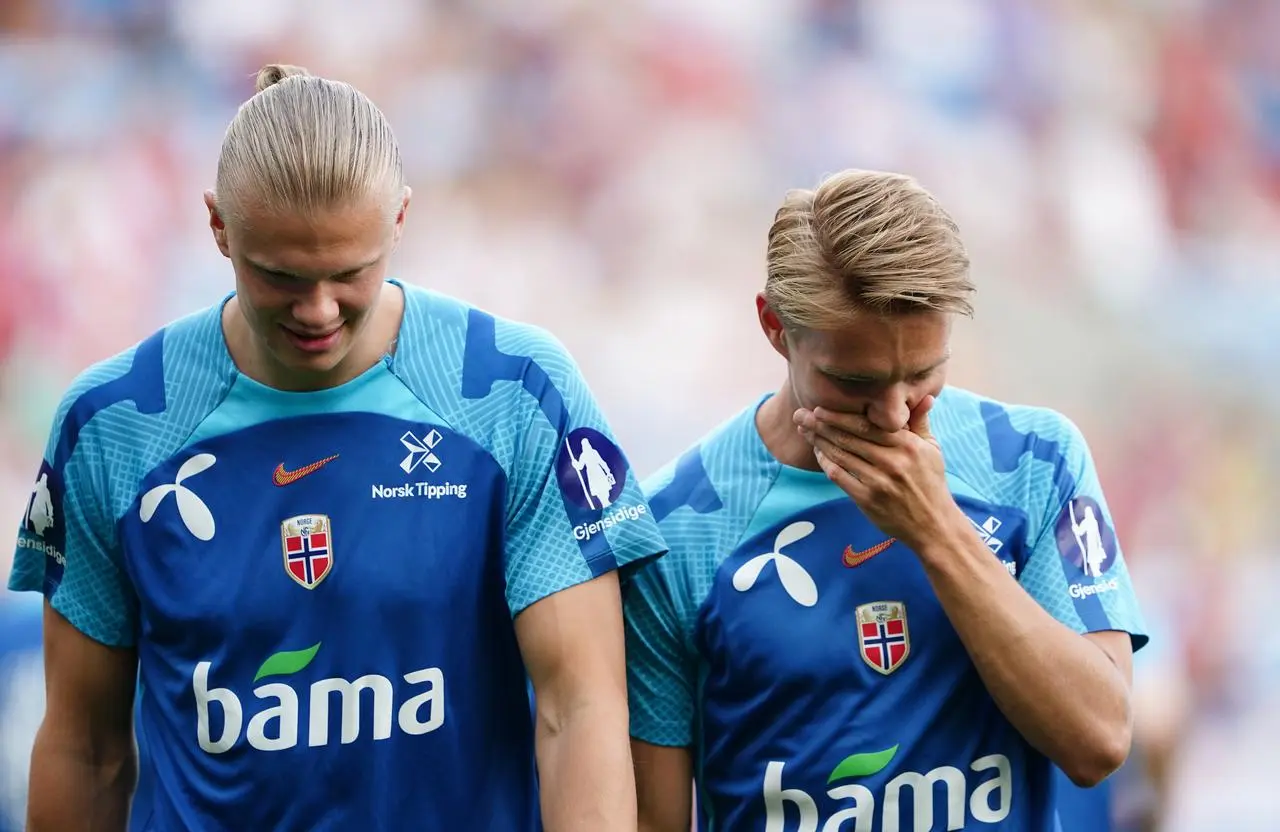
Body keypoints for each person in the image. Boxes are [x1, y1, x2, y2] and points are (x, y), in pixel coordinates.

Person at [7, 63, 666, 831]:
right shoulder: (113, 424)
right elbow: (85, 746)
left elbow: (578, 710)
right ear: (218, 228)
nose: (317, 309)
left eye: (349, 274)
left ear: (400, 220)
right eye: (278, 276)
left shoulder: (512, 393)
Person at [624, 168, 1147, 831]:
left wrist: (935, 531)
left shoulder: (1034, 462)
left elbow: (1099, 739)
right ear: (775, 326)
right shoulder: (676, 526)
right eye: (854, 381)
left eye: (924, 374)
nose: (896, 414)